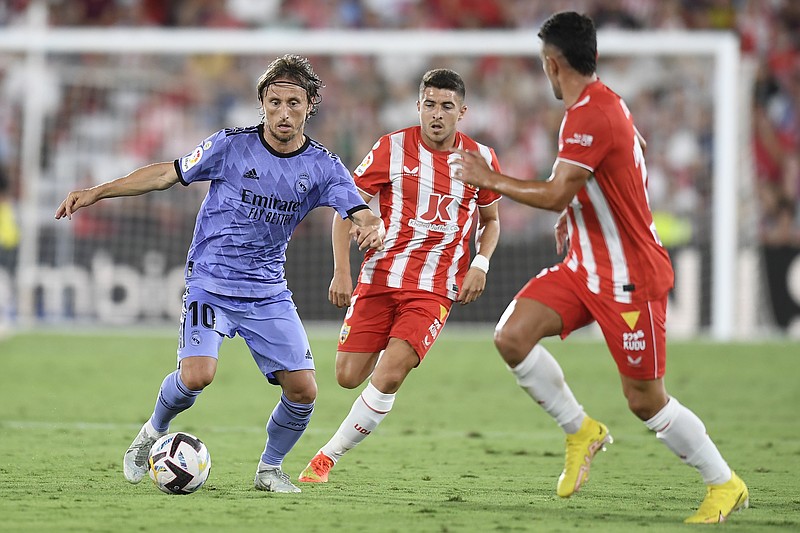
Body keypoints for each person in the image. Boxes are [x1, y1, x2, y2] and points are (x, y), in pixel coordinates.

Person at [451, 12, 748, 525]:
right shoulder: (598, 103)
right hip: (584, 267)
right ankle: (581, 429)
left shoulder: (592, 114)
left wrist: (490, 178)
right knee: (512, 337)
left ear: (552, 64)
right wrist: (574, 214)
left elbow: (555, 192)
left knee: (644, 401)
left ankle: (724, 482)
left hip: (629, 279)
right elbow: (616, 164)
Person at [54, 54, 385, 494]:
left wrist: (373, 228)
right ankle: (152, 432)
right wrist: (97, 191)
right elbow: (164, 175)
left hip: (267, 290)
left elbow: (360, 212)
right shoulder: (230, 146)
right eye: (273, 102)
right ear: (261, 104)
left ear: (310, 107)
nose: (283, 113)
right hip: (211, 280)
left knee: (305, 390)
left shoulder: (323, 166)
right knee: (197, 376)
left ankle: (270, 469)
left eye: (293, 103)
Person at [297, 68, 501, 483]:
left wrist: (480, 263)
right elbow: (345, 205)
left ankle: (326, 458)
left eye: (446, 106)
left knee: (389, 374)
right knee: (347, 376)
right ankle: (379, 383)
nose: (437, 114)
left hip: (434, 289)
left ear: (462, 112)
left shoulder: (481, 159)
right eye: (430, 105)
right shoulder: (392, 148)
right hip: (380, 278)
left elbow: (491, 220)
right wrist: (342, 270)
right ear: (419, 107)